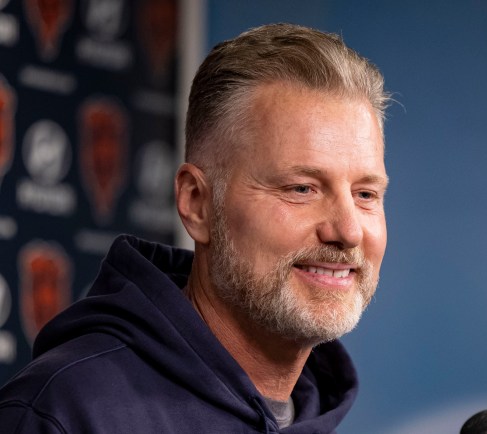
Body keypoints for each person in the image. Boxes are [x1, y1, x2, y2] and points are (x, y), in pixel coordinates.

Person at [0, 23, 390, 433]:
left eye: (366, 194)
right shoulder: (63, 414)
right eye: (302, 188)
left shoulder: (316, 413)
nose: (348, 231)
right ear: (197, 203)